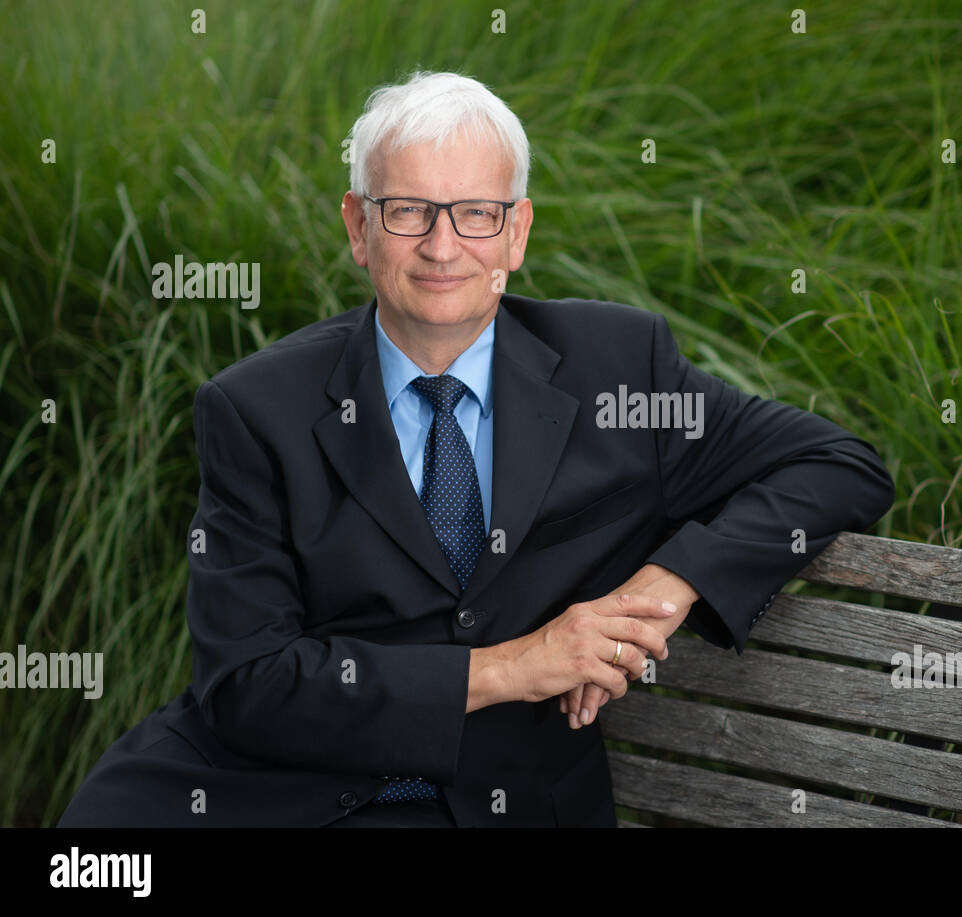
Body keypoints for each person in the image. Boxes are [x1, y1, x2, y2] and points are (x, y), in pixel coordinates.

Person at [58, 71, 894, 828]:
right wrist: (512, 666)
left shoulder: (619, 367)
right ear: (358, 226)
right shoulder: (255, 408)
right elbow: (251, 684)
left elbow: (839, 464)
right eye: (408, 210)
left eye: (476, 213)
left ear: (517, 231)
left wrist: (663, 587)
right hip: (266, 795)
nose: (443, 246)